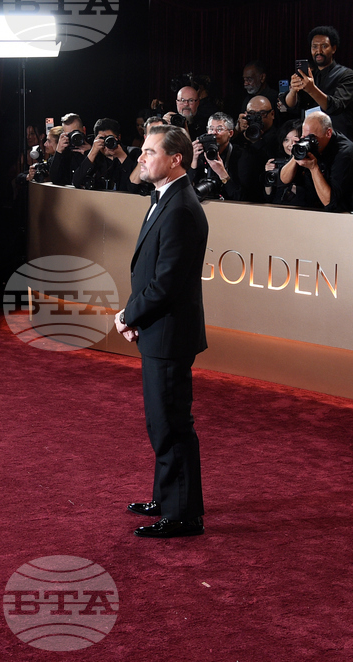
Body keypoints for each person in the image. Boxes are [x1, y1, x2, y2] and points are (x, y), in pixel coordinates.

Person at [114, 124, 208, 539]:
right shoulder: (166, 199)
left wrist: (127, 316)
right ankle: (167, 496)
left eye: (150, 152)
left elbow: (166, 282)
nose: (141, 157)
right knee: (161, 421)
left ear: (176, 159)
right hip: (160, 329)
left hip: (169, 333)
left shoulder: (182, 208)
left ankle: (183, 514)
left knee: (170, 422)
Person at [280, 25, 353, 135]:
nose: (318, 51)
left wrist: (312, 89)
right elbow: (290, 105)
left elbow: (335, 106)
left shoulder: (346, 74)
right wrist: (293, 90)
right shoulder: (309, 74)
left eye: (324, 46)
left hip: (336, 136)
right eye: (314, 47)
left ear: (334, 48)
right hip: (309, 136)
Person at [279, 110, 353, 212]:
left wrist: (314, 168)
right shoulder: (311, 145)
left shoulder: (344, 152)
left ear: (328, 133)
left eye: (312, 137)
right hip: (315, 208)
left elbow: (330, 202)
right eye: (304, 137)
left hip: (347, 213)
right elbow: (284, 179)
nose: (308, 141)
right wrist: (297, 153)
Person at [72, 118, 141, 191]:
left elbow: (135, 186)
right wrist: (93, 151)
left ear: (119, 138)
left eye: (109, 139)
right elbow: (76, 182)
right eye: (102, 139)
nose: (106, 143)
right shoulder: (95, 158)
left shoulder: (134, 153)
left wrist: (122, 157)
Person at [235, 95, 281, 202]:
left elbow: (270, 161)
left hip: (263, 196)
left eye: (262, 114)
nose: (256, 118)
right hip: (239, 195)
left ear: (272, 114)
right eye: (251, 114)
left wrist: (256, 142)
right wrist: (236, 131)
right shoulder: (242, 134)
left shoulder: (280, 138)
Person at [188, 113, 238, 200]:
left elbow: (241, 196)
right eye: (211, 129)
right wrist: (193, 161)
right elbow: (186, 191)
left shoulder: (241, 156)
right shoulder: (200, 153)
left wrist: (222, 173)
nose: (214, 133)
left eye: (219, 129)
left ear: (230, 133)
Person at [264, 121, 303, 205]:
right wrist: (269, 176)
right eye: (286, 140)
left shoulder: (309, 165)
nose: (290, 144)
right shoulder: (278, 162)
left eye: (295, 140)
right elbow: (268, 197)